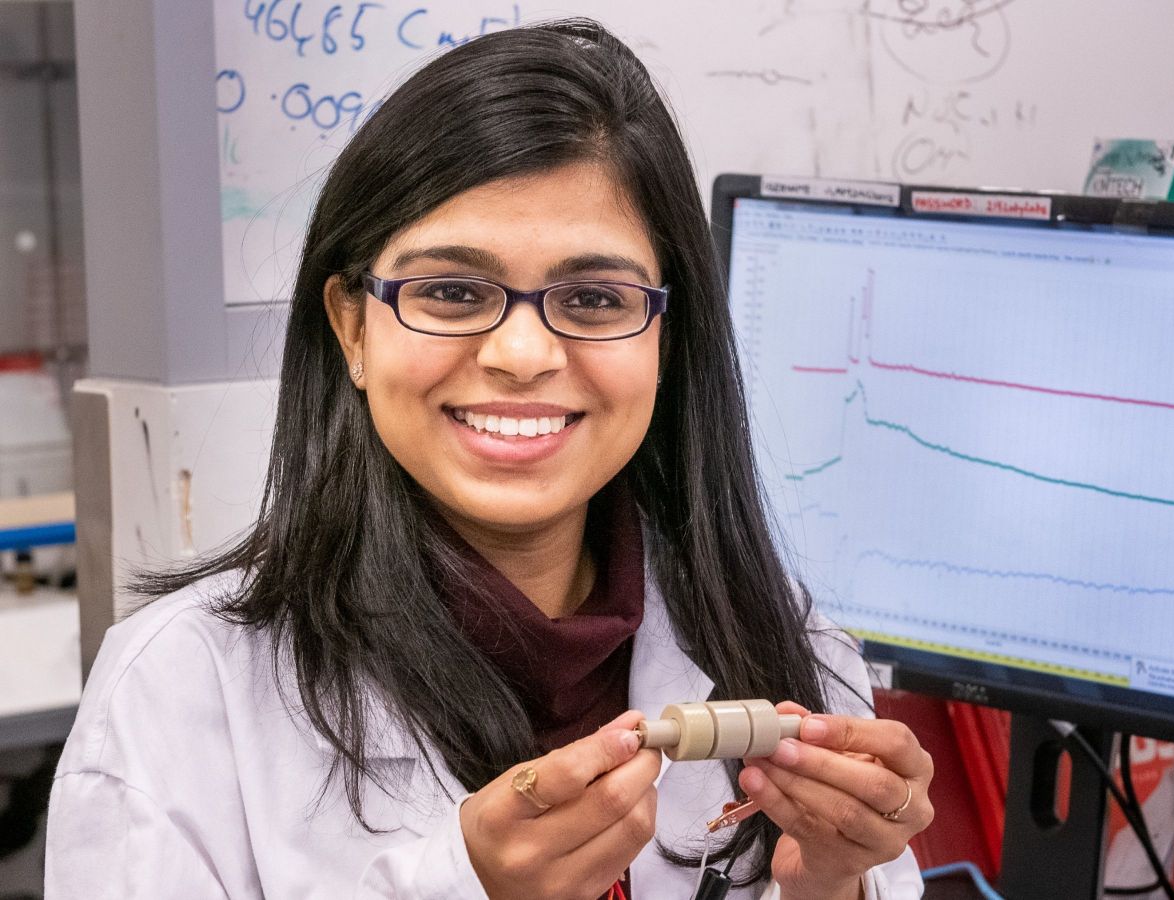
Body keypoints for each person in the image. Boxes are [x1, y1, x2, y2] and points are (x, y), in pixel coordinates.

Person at [45, 19, 931, 900]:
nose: (521, 354)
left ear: (668, 336)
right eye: (452, 292)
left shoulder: (785, 649)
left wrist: (828, 884)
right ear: (352, 326)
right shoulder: (177, 696)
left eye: (591, 298)